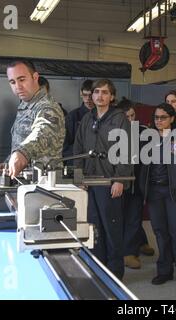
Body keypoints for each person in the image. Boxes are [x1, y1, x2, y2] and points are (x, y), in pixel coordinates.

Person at [73, 79, 132, 280]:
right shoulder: (87, 119)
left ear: (112, 96)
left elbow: (126, 151)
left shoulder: (119, 118)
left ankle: (115, 274)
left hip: (109, 183)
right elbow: (78, 149)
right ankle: (99, 270)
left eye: (105, 92)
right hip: (89, 183)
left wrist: (120, 180)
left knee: (112, 228)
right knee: (94, 229)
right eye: (96, 92)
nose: (99, 96)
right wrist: (79, 176)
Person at [139, 103, 176, 288]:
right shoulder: (148, 138)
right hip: (155, 192)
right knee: (161, 233)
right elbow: (141, 164)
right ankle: (164, 271)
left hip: (175, 192)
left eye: (163, 117)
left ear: (172, 118)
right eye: (156, 117)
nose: (159, 121)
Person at [0, 60, 65, 179]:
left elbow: (43, 132)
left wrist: (22, 153)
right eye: (12, 82)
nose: (18, 86)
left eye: (22, 79)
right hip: (26, 182)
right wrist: (9, 162)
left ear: (35, 77)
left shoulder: (47, 106)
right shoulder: (25, 105)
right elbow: (21, 140)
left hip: (45, 183)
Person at [118, 98, 155, 270]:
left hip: (137, 183)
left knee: (134, 218)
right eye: (126, 117)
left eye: (133, 116)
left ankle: (129, 253)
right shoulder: (113, 132)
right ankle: (121, 249)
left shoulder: (144, 132)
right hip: (118, 182)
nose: (130, 120)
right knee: (119, 218)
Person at [63, 79, 94, 159]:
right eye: (85, 95)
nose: (88, 99)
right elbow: (64, 147)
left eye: (90, 95)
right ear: (81, 94)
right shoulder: (72, 117)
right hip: (77, 161)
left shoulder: (103, 116)